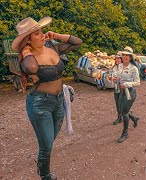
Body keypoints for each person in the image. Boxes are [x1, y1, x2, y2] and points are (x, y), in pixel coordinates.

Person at [12, 17, 82, 180]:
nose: (43, 35)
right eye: (37, 33)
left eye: (42, 31)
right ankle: (44, 174)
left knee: (49, 141)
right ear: (27, 40)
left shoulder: (52, 47)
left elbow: (77, 42)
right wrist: (26, 50)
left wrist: (55, 35)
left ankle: (42, 160)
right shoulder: (28, 58)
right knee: (47, 144)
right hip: (40, 104)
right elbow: (31, 68)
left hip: (59, 102)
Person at [116, 46, 140, 143]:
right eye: (123, 55)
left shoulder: (134, 68)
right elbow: (118, 75)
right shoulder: (120, 66)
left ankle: (125, 133)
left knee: (124, 113)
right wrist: (114, 78)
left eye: (127, 55)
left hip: (130, 93)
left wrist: (127, 84)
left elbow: (138, 82)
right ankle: (134, 118)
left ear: (130, 57)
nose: (124, 57)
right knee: (121, 111)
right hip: (121, 92)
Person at [110, 52, 123, 125]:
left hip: (123, 88)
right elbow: (111, 76)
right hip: (116, 88)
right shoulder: (114, 68)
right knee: (117, 103)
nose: (117, 60)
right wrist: (111, 78)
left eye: (118, 58)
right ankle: (119, 118)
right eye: (116, 59)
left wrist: (118, 79)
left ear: (121, 59)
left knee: (122, 104)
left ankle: (130, 116)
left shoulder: (124, 67)